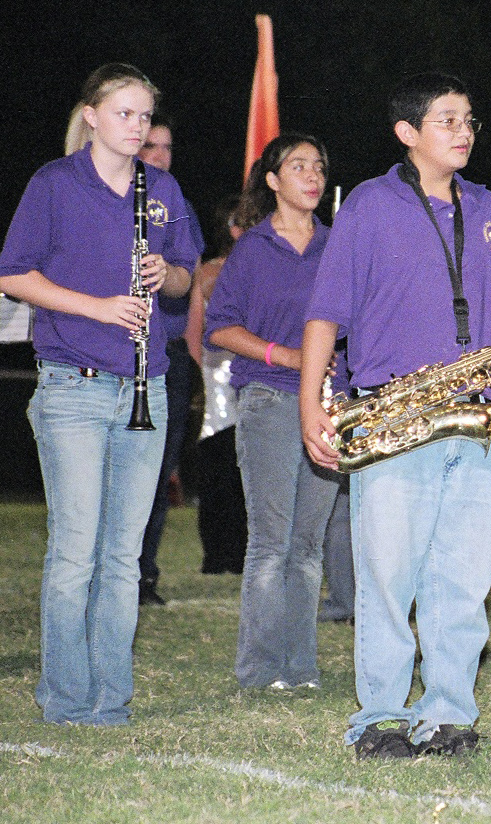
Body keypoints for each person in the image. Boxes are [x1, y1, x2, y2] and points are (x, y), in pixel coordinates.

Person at [300, 72, 491, 758]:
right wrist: (312, 405)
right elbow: (325, 312)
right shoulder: (370, 205)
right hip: (393, 416)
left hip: (475, 415)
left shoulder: (488, 207)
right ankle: (378, 716)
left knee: (464, 578)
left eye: (469, 120)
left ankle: (448, 714)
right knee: (387, 577)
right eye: (447, 120)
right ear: (407, 133)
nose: (464, 131)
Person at [0, 63, 198, 724]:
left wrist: (165, 272)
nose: (137, 127)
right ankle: (65, 697)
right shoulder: (55, 184)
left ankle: (111, 699)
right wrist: (99, 307)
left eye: (145, 116)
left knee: (123, 557)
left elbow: (185, 279)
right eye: (124, 114)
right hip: (73, 386)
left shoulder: (161, 188)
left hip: (146, 386)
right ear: (91, 115)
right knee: (75, 552)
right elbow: (13, 275)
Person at [207, 133, 342, 690]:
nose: (312, 176)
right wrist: (282, 354)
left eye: (319, 167)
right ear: (272, 180)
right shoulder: (253, 248)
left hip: (330, 406)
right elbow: (219, 326)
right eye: (298, 166)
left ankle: (300, 666)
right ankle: (260, 670)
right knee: (271, 542)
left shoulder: (338, 246)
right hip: (269, 398)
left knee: (308, 547)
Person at [136, 110, 205, 606]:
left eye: (167, 147)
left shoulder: (175, 202)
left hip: (169, 354)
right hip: (114, 349)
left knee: (158, 470)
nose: (160, 156)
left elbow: (191, 280)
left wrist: (194, 355)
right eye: (150, 146)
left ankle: (144, 574)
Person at [185, 196, 248, 575]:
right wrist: (197, 381)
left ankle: (237, 553)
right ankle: (219, 554)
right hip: (219, 377)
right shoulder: (210, 273)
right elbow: (195, 335)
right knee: (220, 467)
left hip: (256, 375)